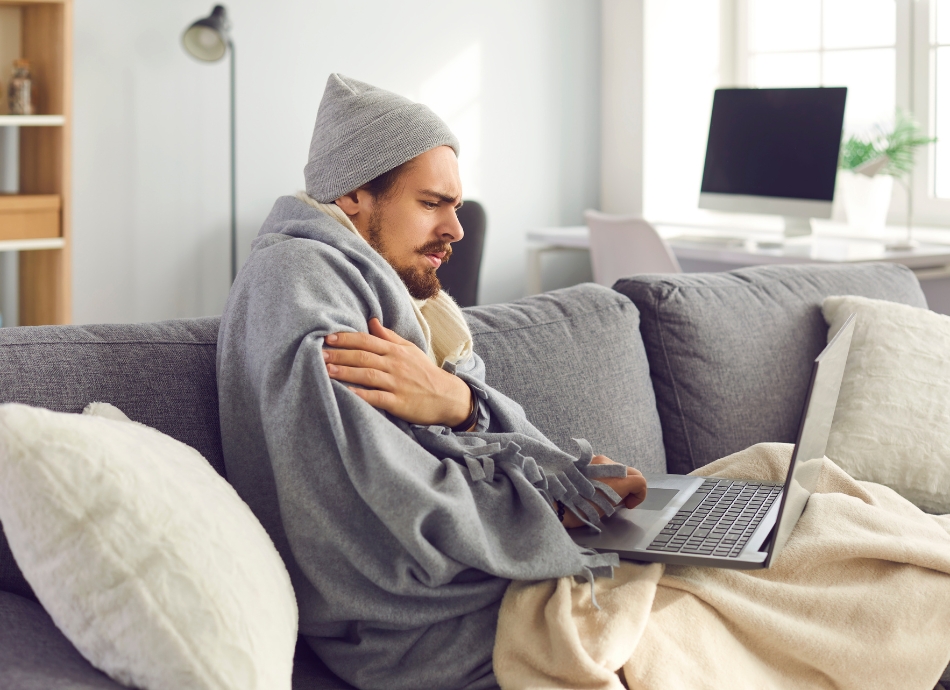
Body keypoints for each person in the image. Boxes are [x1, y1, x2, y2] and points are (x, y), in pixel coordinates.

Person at [217, 73, 647, 690]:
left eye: (455, 205)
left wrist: (467, 406)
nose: (457, 229)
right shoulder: (298, 284)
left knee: (773, 511)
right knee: (748, 591)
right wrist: (553, 506)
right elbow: (384, 507)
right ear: (354, 196)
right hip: (428, 630)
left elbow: (451, 440)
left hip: (486, 585)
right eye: (431, 204)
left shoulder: (392, 292)